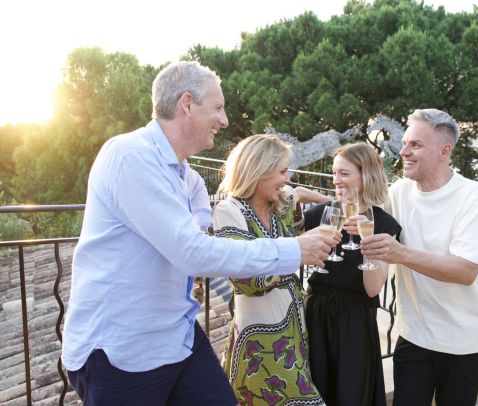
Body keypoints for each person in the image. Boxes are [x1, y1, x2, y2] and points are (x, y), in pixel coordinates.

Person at [61, 61, 335, 406]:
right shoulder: (130, 155)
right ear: (187, 104)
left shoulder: (189, 179)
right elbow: (192, 251)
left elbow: (203, 243)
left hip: (178, 338)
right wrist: (294, 249)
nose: (225, 120)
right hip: (121, 353)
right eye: (218, 108)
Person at [360, 108, 478, 406]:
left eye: (416, 145)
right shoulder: (399, 191)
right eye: (405, 143)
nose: (404, 152)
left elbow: (465, 271)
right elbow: (363, 209)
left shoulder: (472, 196)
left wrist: (400, 253)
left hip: (463, 342)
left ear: (445, 151)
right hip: (414, 335)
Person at [213, 134, 330, 405]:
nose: (286, 179)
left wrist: (331, 202)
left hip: (293, 335)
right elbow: (246, 280)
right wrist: (299, 249)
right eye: (281, 171)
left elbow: (298, 192)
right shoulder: (229, 211)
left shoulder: (279, 203)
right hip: (259, 344)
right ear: (259, 170)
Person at [303, 142, 402, 406]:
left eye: (344, 173)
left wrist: (368, 242)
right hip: (315, 317)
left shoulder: (384, 225)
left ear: (366, 175)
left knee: (351, 395)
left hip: (355, 324)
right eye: (334, 173)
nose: (336, 180)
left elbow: (373, 289)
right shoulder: (318, 215)